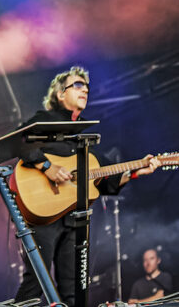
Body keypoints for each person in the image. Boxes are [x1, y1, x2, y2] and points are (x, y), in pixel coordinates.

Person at [13, 67, 161, 306]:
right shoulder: (45, 120)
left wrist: (137, 172)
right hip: (43, 214)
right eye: (78, 86)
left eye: (87, 88)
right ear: (61, 94)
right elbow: (19, 140)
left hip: (74, 217)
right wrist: (47, 166)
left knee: (74, 288)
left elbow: (107, 183)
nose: (85, 91)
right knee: (36, 281)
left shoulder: (84, 139)